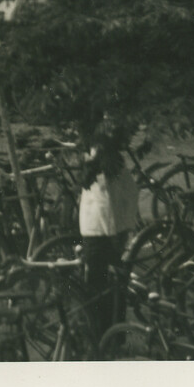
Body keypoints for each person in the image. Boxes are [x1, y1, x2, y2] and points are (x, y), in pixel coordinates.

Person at [78, 121, 140, 349]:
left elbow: (118, 200)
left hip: (104, 230)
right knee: (104, 286)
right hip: (101, 230)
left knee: (105, 286)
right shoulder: (106, 163)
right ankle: (105, 337)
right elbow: (115, 201)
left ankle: (109, 337)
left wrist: (121, 232)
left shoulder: (108, 164)